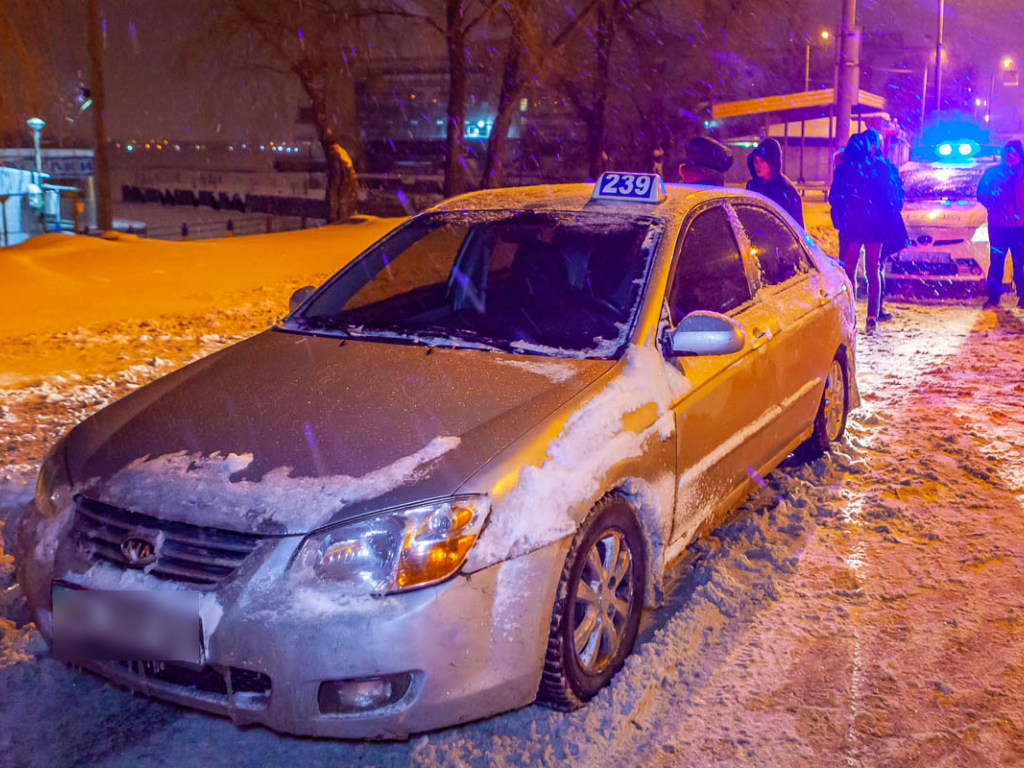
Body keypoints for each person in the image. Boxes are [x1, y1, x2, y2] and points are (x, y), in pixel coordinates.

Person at [828, 132, 898, 333]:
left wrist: (843, 215)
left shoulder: (843, 170)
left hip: (852, 228)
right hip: (873, 227)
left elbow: (835, 197)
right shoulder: (879, 169)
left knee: (848, 270)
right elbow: (888, 198)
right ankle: (872, 317)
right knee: (872, 271)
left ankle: (850, 314)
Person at [863, 128, 907, 320]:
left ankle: (876, 310)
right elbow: (897, 196)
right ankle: (876, 310)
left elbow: (895, 196)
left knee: (876, 266)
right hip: (880, 223)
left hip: (878, 224)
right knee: (876, 267)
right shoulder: (883, 167)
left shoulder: (877, 167)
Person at [976, 139, 1024, 309]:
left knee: (1021, 262)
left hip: (1020, 227)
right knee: (996, 261)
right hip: (998, 226)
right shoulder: (993, 173)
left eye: (1015, 152)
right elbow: (981, 193)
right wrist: (994, 204)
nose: (1012, 156)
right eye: (1009, 152)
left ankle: (1023, 296)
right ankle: (994, 297)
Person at [745, 137, 804, 225]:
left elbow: (797, 228)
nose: (758, 165)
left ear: (772, 162)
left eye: (762, 161)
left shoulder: (787, 191)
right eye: (755, 161)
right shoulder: (753, 186)